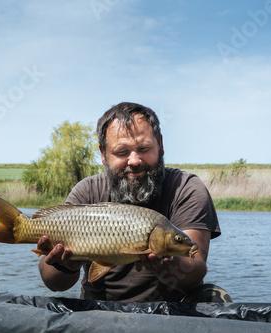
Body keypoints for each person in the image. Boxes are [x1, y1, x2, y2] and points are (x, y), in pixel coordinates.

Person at [37, 102, 231, 303]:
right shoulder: (87, 191)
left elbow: (195, 270)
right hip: (97, 311)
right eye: (121, 152)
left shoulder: (186, 188)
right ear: (103, 154)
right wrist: (64, 266)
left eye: (144, 148)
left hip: (170, 312)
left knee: (215, 298)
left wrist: (169, 264)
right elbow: (54, 284)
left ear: (161, 145)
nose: (134, 160)